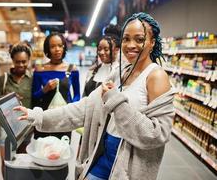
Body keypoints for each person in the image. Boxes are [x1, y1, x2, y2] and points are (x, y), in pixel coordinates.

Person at [16, 12, 176, 180]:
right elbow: (84, 108)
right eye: (126, 38)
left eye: (139, 39)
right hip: (102, 153)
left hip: (127, 164)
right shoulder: (120, 72)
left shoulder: (156, 76)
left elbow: (158, 134)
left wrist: (115, 101)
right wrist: (38, 116)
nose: (131, 45)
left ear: (152, 42)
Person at [0, 42, 33, 175]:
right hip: (6, 128)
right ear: (12, 61)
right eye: (17, 62)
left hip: (25, 127)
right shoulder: (3, 79)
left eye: (24, 61)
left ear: (28, 60)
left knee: (22, 162)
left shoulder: (32, 79)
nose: (21, 65)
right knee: (6, 162)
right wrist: (8, 98)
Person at [32, 32, 80, 139]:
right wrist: (45, 89)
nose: (57, 49)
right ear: (47, 49)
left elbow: (77, 95)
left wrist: (72, 108)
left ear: (64, 47)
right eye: (53, 46)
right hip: (45, 118)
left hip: (64, 119)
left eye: (60, 45)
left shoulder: (72, 69)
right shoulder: (40, 69)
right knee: (42, 151)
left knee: (62, 151)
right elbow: (34, 97)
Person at [83, 24, 121, 97]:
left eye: (106, 49)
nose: (101, 52)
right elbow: (84, 96)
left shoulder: (120, 72)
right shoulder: (93, 71)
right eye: (99, 49)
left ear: (117, 50)